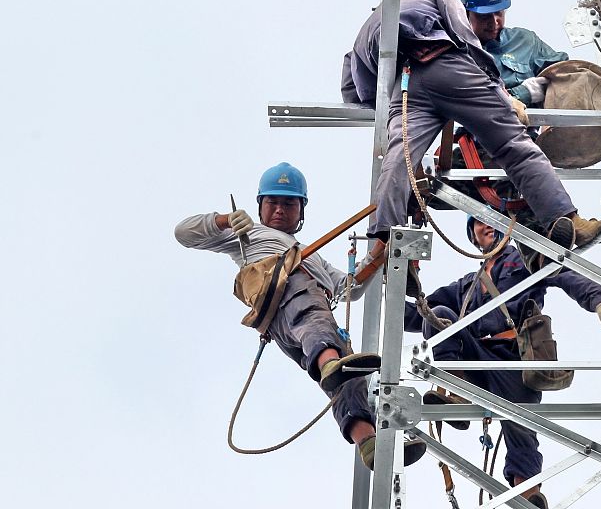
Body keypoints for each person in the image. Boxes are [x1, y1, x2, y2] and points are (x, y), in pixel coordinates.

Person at [340, 0, 601, 249]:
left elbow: (354, 85)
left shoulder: (375, 18)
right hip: (446, 66)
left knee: (399, 159)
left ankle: (382, 238)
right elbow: (467, 43)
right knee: (513, 145)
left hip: (407, 87)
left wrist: (385, 103)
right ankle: (565, 217)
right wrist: (504, 96)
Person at [173, 162, 425, 469]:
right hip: (287, 298)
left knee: (349, 383)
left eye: (288, 203)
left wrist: (377, 256)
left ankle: (368, 443)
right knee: (314, 317)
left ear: (301, 210)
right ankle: (330, 363)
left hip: (300, 330)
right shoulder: (248, 235)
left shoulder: (312, 255)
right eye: (273, 203)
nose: (280, 209)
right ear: (260, 206)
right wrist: (226, 221)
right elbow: (184, 233)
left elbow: (349, 289)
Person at [406, 217, 601, 509]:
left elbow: (564, 274)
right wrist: (392, 276)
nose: (485, 226)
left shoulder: (523, 259)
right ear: (473, 239)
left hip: (516, 357)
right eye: (477, 223)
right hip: (476, 359)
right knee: (439, 314)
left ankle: (528, 497)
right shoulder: (467, 285)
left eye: (489, 221)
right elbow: (418, 314)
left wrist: (599, 303)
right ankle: (457, 391)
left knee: (521, 428)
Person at [461, 0, 568, 107]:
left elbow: (564, 70)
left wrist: (593, 81)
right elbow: (474, 105)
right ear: (464, 13)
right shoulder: (459, 51)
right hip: (475, 128)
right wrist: (523, 94)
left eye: (499, 12)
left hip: (525, 129)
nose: (494, 22)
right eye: (484, 16)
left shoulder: (525, 41)